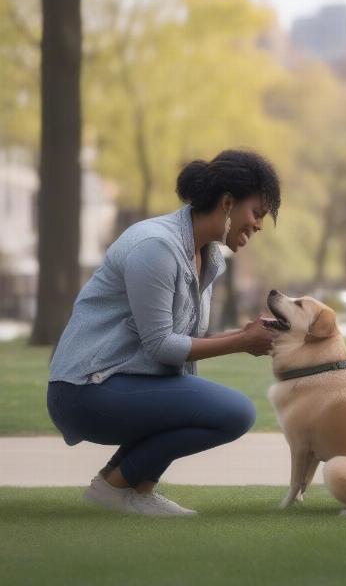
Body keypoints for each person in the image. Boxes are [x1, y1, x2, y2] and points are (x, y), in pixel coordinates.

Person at [46, 149, 280, 516]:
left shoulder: (207, 256)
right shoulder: (155, 246)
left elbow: (181, 337)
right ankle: (114, 488)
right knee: (234, 412)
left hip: (120, 383)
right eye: (258, 213)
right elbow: (161, 346)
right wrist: (241, 342)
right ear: (228, 203)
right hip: (85, 390)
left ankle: (129, 489)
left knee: (211, 406)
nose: (259, 225)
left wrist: (246, 333)